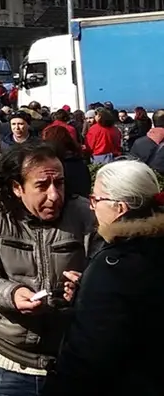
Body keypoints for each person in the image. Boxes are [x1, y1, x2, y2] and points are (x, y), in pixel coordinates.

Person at [0, 139, 98, 391]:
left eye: (59, 183)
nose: (54, 195)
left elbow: (101, 270)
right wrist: (12, 294)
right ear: (17, 187)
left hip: (69, 358)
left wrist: (85, 287)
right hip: (7, 363)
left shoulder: (84, 212)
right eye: (42, 185)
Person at [44, 160, 164, 395]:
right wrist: (87, 292)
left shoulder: (115, 264)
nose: (92, 208)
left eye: (96, 200)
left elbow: (89, 352)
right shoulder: (151, 246)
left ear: (119, 207)